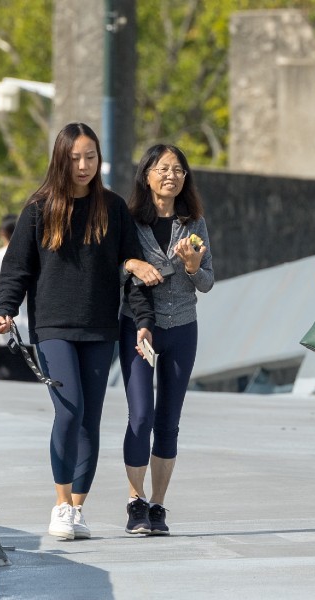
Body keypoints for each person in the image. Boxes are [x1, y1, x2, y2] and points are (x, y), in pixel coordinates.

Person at [0, 122, 163, 541]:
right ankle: (61, 503)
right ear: (61, 159)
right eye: (75, 158)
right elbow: (17, 268)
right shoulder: (39, 207)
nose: (83, 165)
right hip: (52, 326)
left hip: (100, 327)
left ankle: (78, 509)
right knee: (68, 411)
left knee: (90, 419)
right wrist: (5, 309)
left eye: (90, 157)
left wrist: (143, 323)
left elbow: (133, 269)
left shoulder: (113, 207)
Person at [118, 144, 215, 536]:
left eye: (178, 170)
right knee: (140, 416)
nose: (171, 175)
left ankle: (157, 505)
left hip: (182, 328)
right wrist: (136, 265)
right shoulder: (129, 221)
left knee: (168, 421)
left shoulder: (194, 222)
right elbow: (118, 269)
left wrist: (192, 267)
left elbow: (207, 281)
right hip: (138, 327)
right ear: (147, 175)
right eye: (163, 168)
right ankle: (134, 500)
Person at [0, 213, 38, 382]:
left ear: (2, 233)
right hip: (27, 325)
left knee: (2, 377)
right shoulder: (32, 256)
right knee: (28, 377)